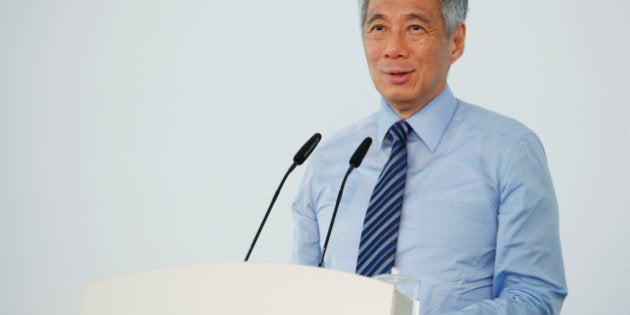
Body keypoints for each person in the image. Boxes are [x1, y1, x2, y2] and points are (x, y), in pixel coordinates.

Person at [291, 0, 567, 314]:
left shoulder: (509, 151)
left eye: (415, 28)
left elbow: (534, 298)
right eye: (379, 28)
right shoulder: (330, 160)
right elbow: (302, 292)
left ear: (456, 41)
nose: (393, 49)